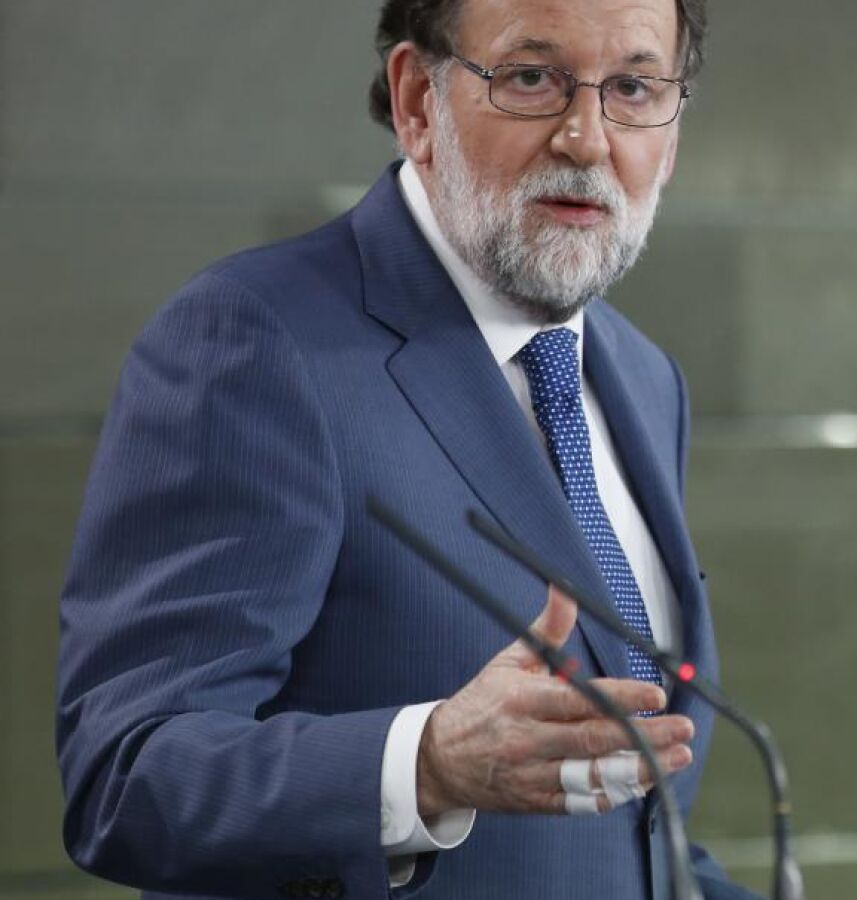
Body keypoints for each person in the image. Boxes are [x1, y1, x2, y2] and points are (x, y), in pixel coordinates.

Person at [55, 0, 756, 897]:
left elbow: (638, 837)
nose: (586, 139)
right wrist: (425, 764)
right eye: (530, 77)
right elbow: (127, 779)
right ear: (419, 100)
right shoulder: (257, 341)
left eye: (632, 87)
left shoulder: (645, 377)